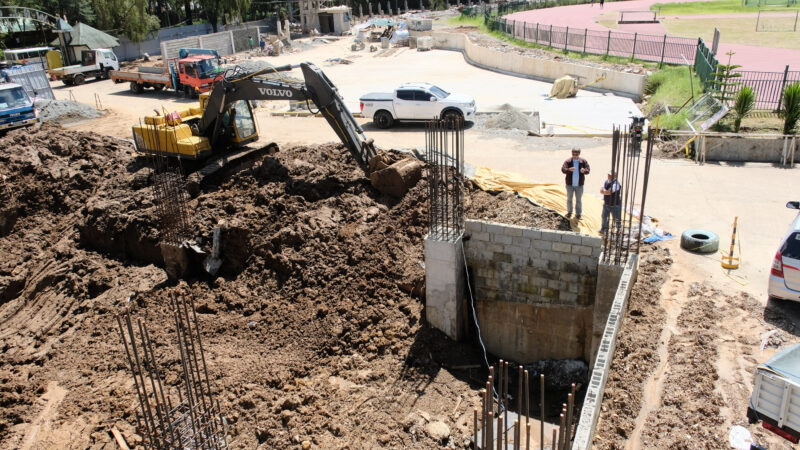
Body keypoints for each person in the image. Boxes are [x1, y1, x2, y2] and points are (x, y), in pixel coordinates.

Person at [561, 148, 590, 219]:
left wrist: (584, 171)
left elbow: (588, 170)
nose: (574, 155)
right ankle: (569, 212)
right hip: (569, 185)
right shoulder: (568, 161)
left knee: (578, 200)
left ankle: (578, 214)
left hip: (579, 185)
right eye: (573, 154)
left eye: (576, 154)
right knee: (569, 199)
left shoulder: (583, 161)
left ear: (579, 154)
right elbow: (563, 169)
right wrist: (569, 170)